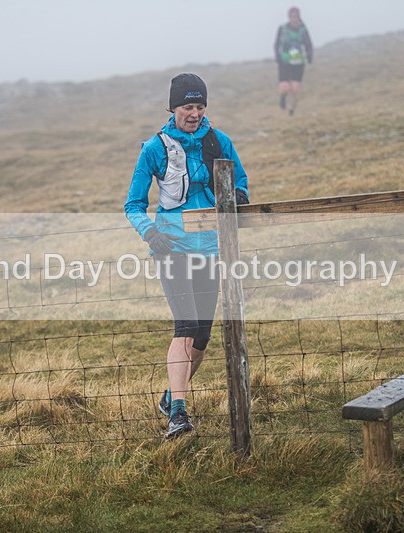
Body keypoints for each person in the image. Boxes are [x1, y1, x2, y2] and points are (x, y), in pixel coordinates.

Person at [124, 73, 250, 440]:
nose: (194, 113)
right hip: (172, 249)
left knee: (202, 337)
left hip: (212, 248)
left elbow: (240, 182)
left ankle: (168, 396)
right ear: (173, 107)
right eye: (187, 106)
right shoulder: (154, 149)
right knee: (185, 326)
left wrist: (237, 198)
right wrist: (150, 233)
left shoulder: (220, 141)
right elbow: (133, 205)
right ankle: (178, 414)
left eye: (199, 106)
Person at [274, 6, 314, 116]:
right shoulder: (282, 29)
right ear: (288, 17)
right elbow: (276, 43)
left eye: (295, 16)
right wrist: (277, 56)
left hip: (298, 62)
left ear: (299, 17)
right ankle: (282, 98)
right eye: (291, 16)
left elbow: (308, 44)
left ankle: (291, 111)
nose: (293, 19)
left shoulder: (303, 30)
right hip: (284, 62)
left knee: (295, 89)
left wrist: (309, 56)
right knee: (284, 88)